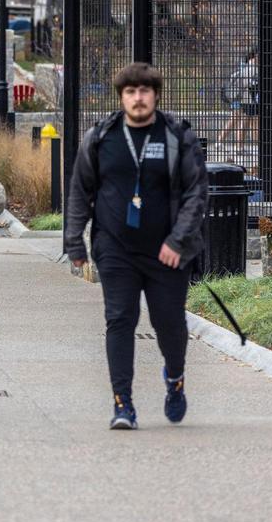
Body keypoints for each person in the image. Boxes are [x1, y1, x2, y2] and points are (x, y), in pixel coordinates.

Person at [64, 62, 207, 431]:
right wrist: (74, 241)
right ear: (121, 97)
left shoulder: (177, 136)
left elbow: (196, 193)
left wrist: (179, 241)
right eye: (131, 92)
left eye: (144, 91)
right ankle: (122, 403)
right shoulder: (101, 137)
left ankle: (175, 378)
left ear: (155, 95)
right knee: (119, 320)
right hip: (116, 250)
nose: (138, 98)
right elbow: (80, 190)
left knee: (169, 326)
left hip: (167, 253)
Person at [217, 49, 258, 153]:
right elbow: (249, 83)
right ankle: (239, 147)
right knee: (244, 121)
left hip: (238, 97)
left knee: (235, 120)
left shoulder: (243, 65)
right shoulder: (251, 66)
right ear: (253, 57)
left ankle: (220, 142)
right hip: (244, 98)